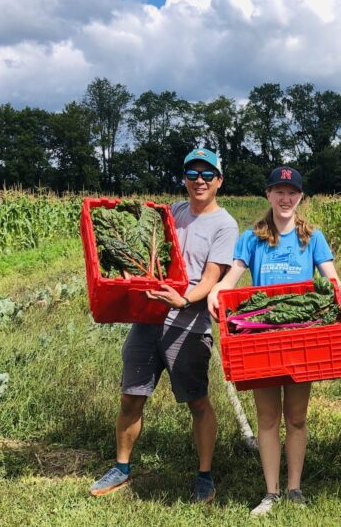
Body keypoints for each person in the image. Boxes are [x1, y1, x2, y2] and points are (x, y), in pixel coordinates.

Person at [89, 148, 239, 503]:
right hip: (148, 318)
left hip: (189, 324)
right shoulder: (172, 211)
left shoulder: (224, 224)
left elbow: (210, 278)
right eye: (192, 173)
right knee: (131, 396)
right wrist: (130, 275)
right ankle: (122, 468)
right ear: (184, 179)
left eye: (206, 174)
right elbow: (152, 260)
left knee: (197, 401)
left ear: (219, 180)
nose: (199, 180)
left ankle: (204, 475)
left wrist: (185, 300)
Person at [207, 166, 341, 517]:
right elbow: (232, 276)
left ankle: (295, 487)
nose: (285, 198)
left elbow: (330, 278)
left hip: (301, 339)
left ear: (300, 197)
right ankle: (271, 492)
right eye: (279, 191)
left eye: (292, 192)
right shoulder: (251, 238)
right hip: (263, 340)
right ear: (268, 194)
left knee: (297, 418)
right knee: (267, 419)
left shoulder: (312, 237)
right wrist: (218, 292)